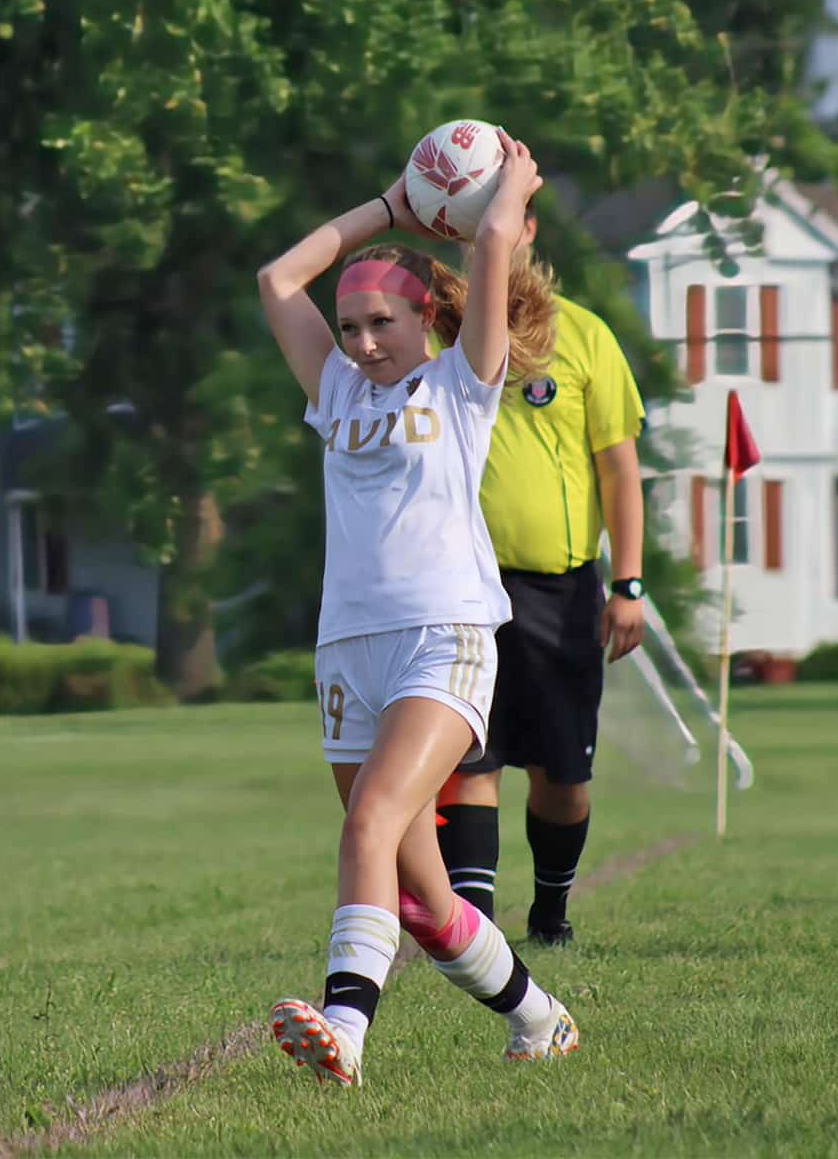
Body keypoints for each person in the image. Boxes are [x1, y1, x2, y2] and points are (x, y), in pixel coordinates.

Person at [254, 130, 579, 1088]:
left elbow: (487, 262)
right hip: (347, 652)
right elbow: (279, 281)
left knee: (367, 830)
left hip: (445, 638)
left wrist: (506, 204)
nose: (361, 342)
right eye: (352, 328)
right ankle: (540, 1018)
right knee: (422, 900)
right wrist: (389, 208)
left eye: (382, 324)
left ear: (426, 322)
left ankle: (345, 1032)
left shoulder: (460, 385)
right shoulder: (335, 392)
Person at [436, 204, 648, 947]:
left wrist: (630, 585)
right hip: (462, 588)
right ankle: (474, 931)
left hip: (562, 591)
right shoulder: (437, 332)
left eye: (498, 221)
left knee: (562, 775)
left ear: (526, 228)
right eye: (466, 226)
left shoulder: (584, 334)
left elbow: (619, 467)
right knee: (469, 754)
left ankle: (551, 911)